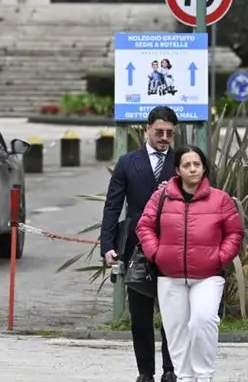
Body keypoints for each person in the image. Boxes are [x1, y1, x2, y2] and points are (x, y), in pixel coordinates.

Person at [136, 145, 245, 382]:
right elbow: (144, 226)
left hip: (208, 275)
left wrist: (219, 257)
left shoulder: (221, 199)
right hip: (169, 275)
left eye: (197, 164)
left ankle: (204, 375)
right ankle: (185, 377)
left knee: (202, 320)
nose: (193, 169)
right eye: (187, 165)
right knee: (176, 331)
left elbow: (234, 233)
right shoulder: (161, 197)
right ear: (177, 170)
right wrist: (157, 253)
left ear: (204, 167)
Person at [100, 106, 178, 382]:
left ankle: (171, 369)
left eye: (170, 133)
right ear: (147, 129)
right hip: (137, 250)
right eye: (159, 132)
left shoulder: (183, 161)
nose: (164, 138)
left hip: (174, 248)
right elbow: (113, 205)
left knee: (172, 313)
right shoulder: (127, 163)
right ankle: (145, 372)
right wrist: (107, 243)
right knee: (141, 317)